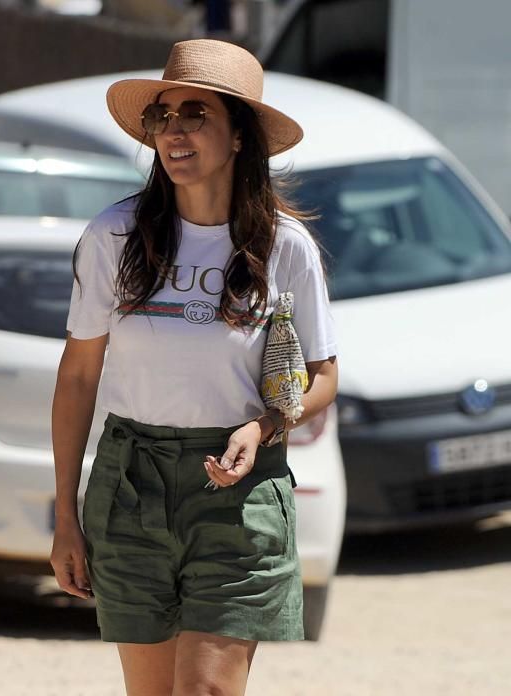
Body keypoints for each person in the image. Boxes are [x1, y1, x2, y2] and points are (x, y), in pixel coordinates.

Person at [50, 39, 338, 696]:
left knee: (207, 690)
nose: (174, 131)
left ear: (240, 135)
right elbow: (76, 380)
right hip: (131, 484)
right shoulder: (112, 236)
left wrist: (262, 428)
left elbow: (323, 377)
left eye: (196, 114)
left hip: (239, 493)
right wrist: (65, 516)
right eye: (164, 116)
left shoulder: (283, 247)